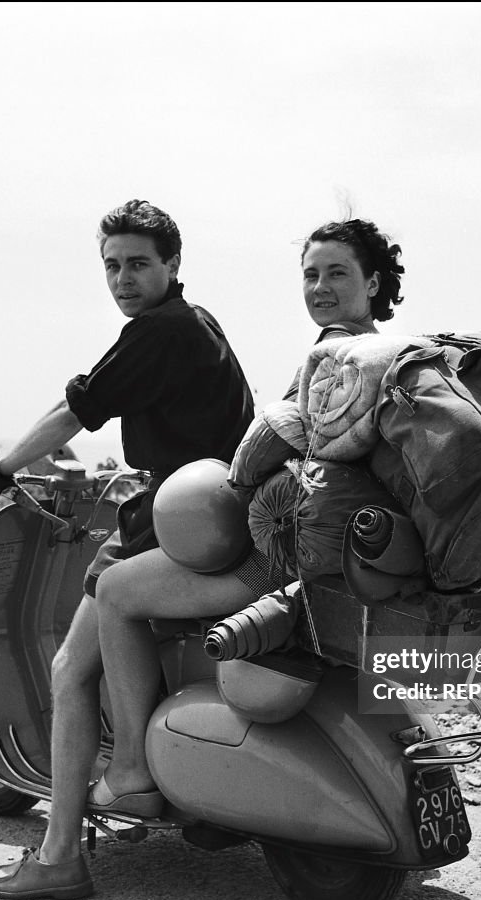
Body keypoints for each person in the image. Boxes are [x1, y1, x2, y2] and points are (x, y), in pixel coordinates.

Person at [0, 199, 254, 900]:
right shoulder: (198, 324)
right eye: (112, 265)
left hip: (175, 526)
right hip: (208, 515)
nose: (123, 277)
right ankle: (123, 786)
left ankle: (83, 828)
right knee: (82, 657)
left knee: (68, 669)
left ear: (172, 265)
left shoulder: (157, 331)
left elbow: (75, 410)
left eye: (138, 263)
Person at [91, 217, 405, 809]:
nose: (320, 287)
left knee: (115, 591)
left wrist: (235, 480)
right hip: (341, 555)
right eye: (310, 274)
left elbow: (273, 450)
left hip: (275, 570)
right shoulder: (395, 356)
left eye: (337, 273)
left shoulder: (339, 359)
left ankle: (131, 768)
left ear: (375, 281)